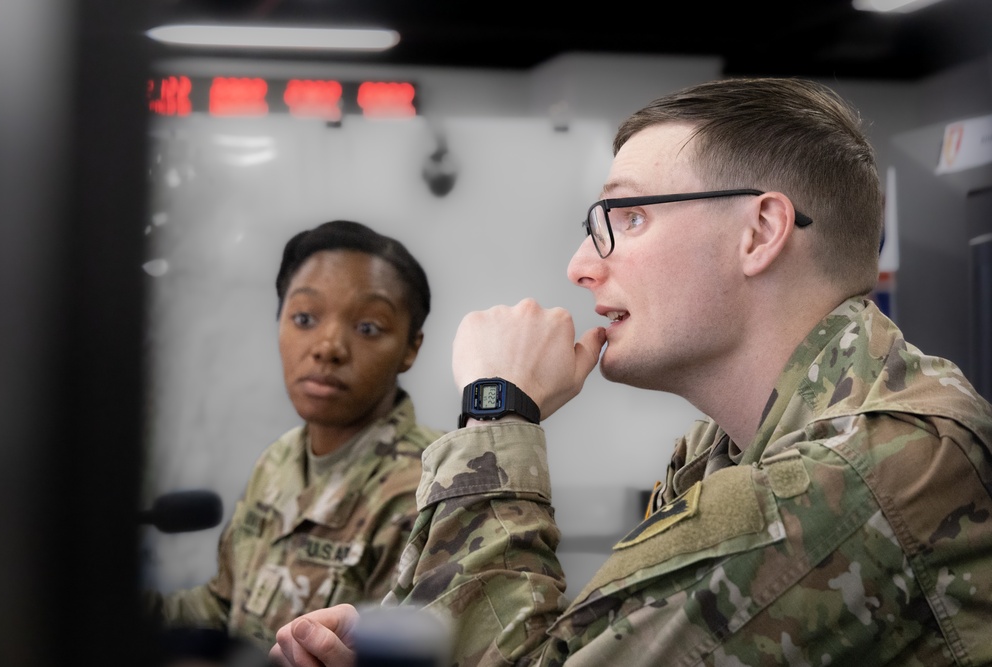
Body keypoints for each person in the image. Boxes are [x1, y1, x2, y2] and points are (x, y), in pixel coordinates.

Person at [269, 78, 992, 666]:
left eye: (629, 215)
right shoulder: (728, 446)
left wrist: (498, 414)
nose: (582, 265)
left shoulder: (860, 469)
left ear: (761, 232)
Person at [144, 219, 444, 653]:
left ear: (410, 349)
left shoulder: (430, 490)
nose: (327, 347)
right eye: (304, 318)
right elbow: (223, 605)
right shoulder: (279, 460)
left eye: (367, 328)